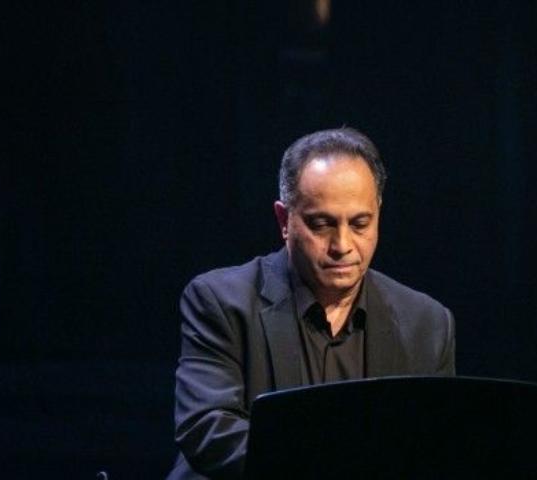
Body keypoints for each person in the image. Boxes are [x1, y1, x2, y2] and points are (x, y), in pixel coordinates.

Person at [166, 127, 455, 480]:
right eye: (321, 224)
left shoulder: (427, 323)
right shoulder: (221, 302)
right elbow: (208, 428)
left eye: (360, 224)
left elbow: (436, 445)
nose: (342, 245)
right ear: (284, 221)